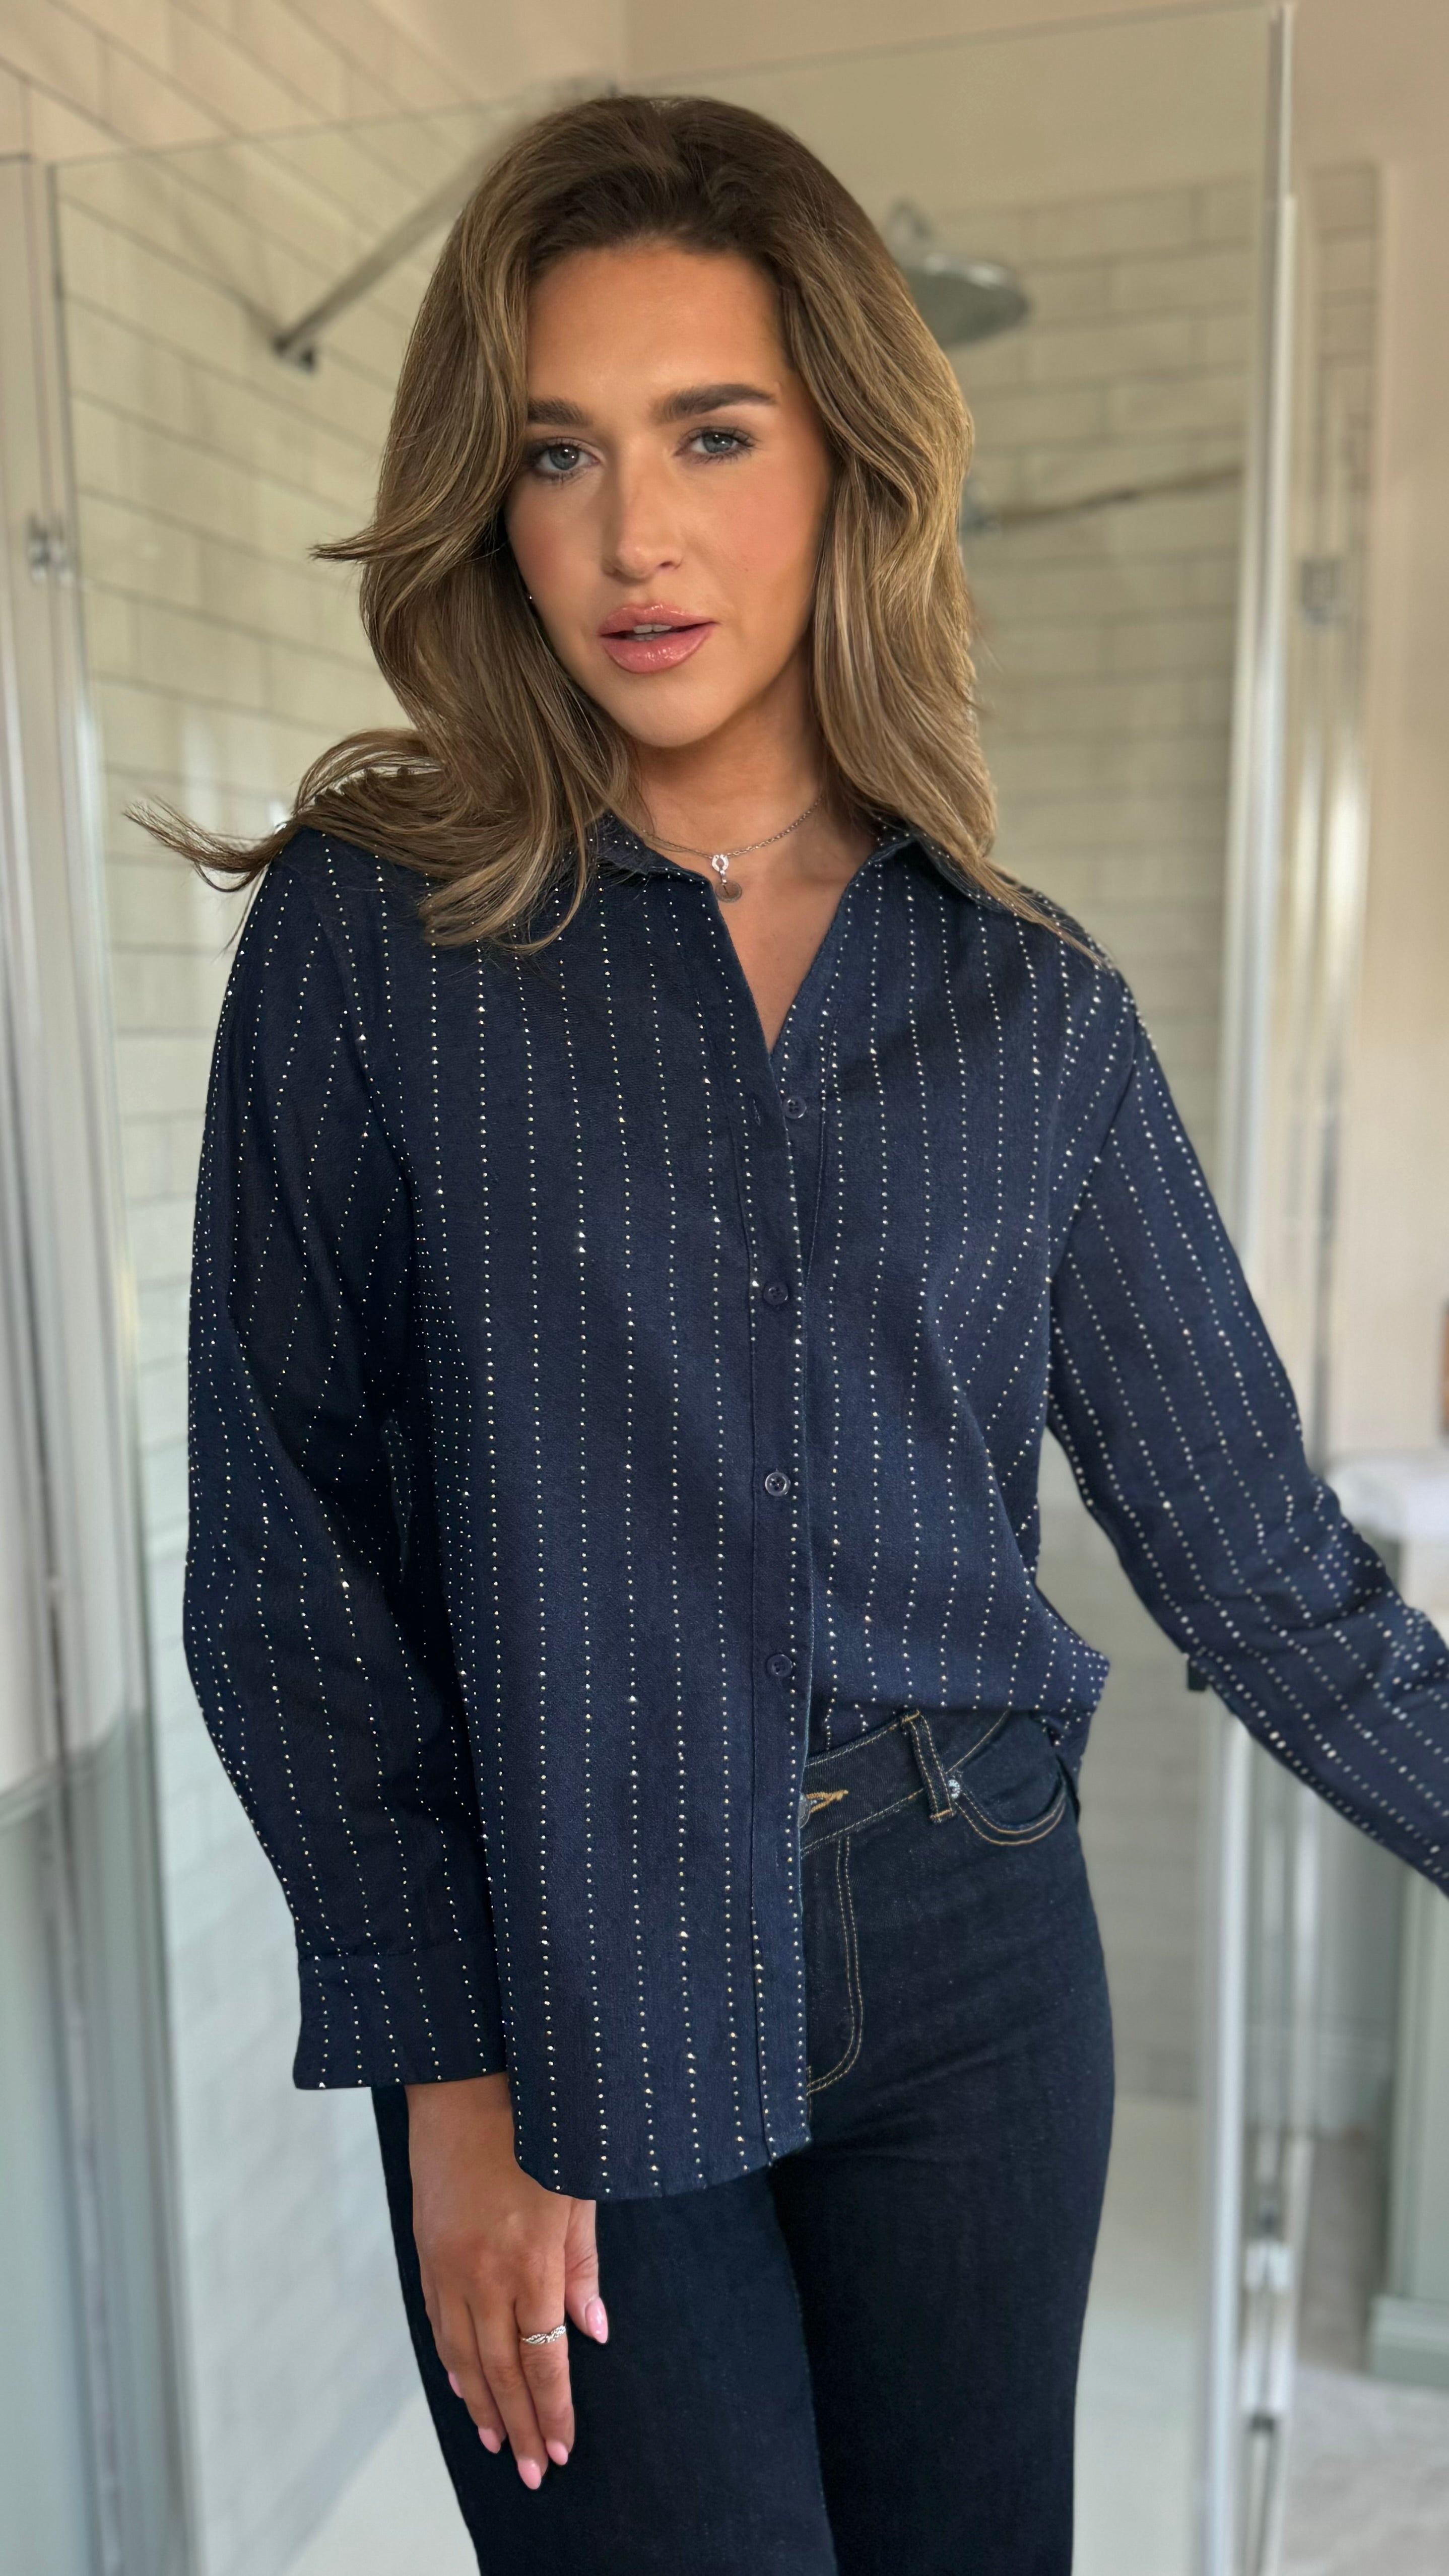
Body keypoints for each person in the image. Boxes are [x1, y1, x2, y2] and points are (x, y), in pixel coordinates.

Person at [168, 92, 1449, 2576]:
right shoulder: (374, 937)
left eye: (709, 434)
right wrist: (448, 2066)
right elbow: (282, 1552)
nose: (630, 535)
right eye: (558, 451)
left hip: (977, 1943)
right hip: (575, 1954)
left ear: (847, 461)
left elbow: (1262, 1573)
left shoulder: (1029, 1007)